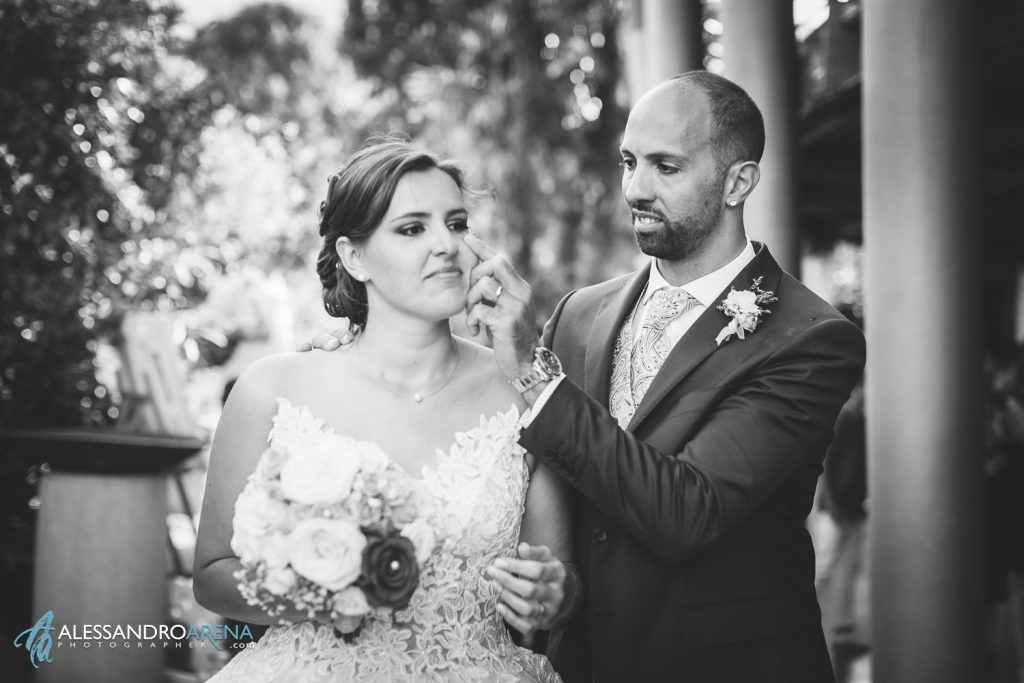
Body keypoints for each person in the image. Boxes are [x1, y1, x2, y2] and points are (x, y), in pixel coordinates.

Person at [313, 72, 865, 681]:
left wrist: (530, 368)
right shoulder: (579, 314)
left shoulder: (809, 338)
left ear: (738, 182)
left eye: (666, 167)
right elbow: (528, 484)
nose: (635, 187)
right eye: (629, 161)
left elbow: (688, 512)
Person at [193, 136, 580, 681]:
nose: (446, 245)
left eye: (457, 223)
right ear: (354, 256)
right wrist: (323, 584)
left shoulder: (522, 390)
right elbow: (211, 577)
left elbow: (560, 579)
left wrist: (554, 595)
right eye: (412, 228)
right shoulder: (270, 390)